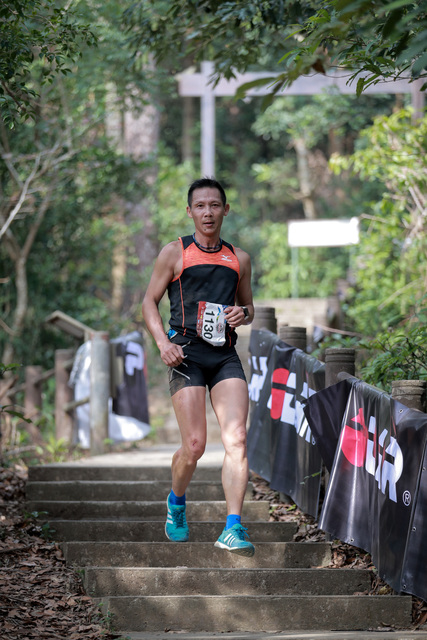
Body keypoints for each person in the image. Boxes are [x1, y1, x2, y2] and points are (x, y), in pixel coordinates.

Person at [141, 177, 255, 557]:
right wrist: (163, 344)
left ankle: (233, 527)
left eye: (215, 205)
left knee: (237, 438)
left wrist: (242, 313)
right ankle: (176, 501)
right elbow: (149, 301)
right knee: (194, 446)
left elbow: (249, 307)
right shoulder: (175, 253)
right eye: (201, 206)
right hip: (185, 354)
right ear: (190, 211)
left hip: (224, 355)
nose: (208, 212)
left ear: (226, 210)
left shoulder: (239, 259)